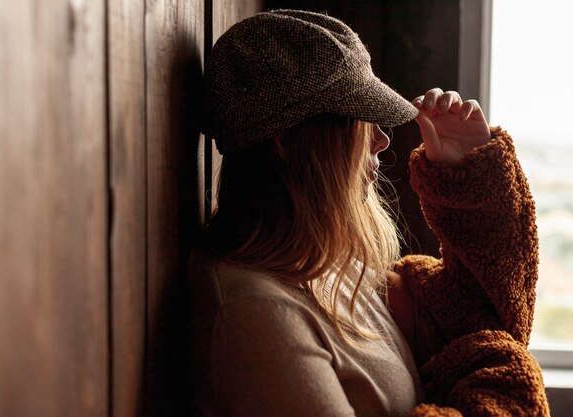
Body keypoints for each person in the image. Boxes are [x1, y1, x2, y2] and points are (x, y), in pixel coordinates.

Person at [188, 9, 549, 417]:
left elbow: (483, 321)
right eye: (357, 119)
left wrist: (469, 180)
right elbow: (494, 352)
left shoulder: (330, 266)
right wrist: (506, 397)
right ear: (288, 137)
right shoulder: (254, 317)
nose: (380, 139)